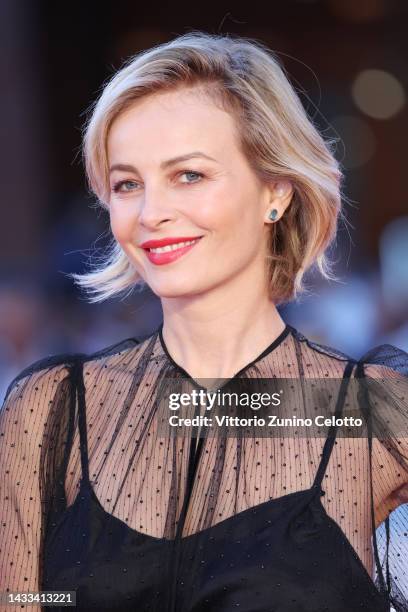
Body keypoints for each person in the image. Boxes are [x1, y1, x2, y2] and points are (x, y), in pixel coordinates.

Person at [0, 31, 407, 612]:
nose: (152, 212)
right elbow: (23, 598)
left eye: (189, 174)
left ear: (276, 191)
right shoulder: (53, 410)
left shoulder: (368, 411)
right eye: (127, 184)